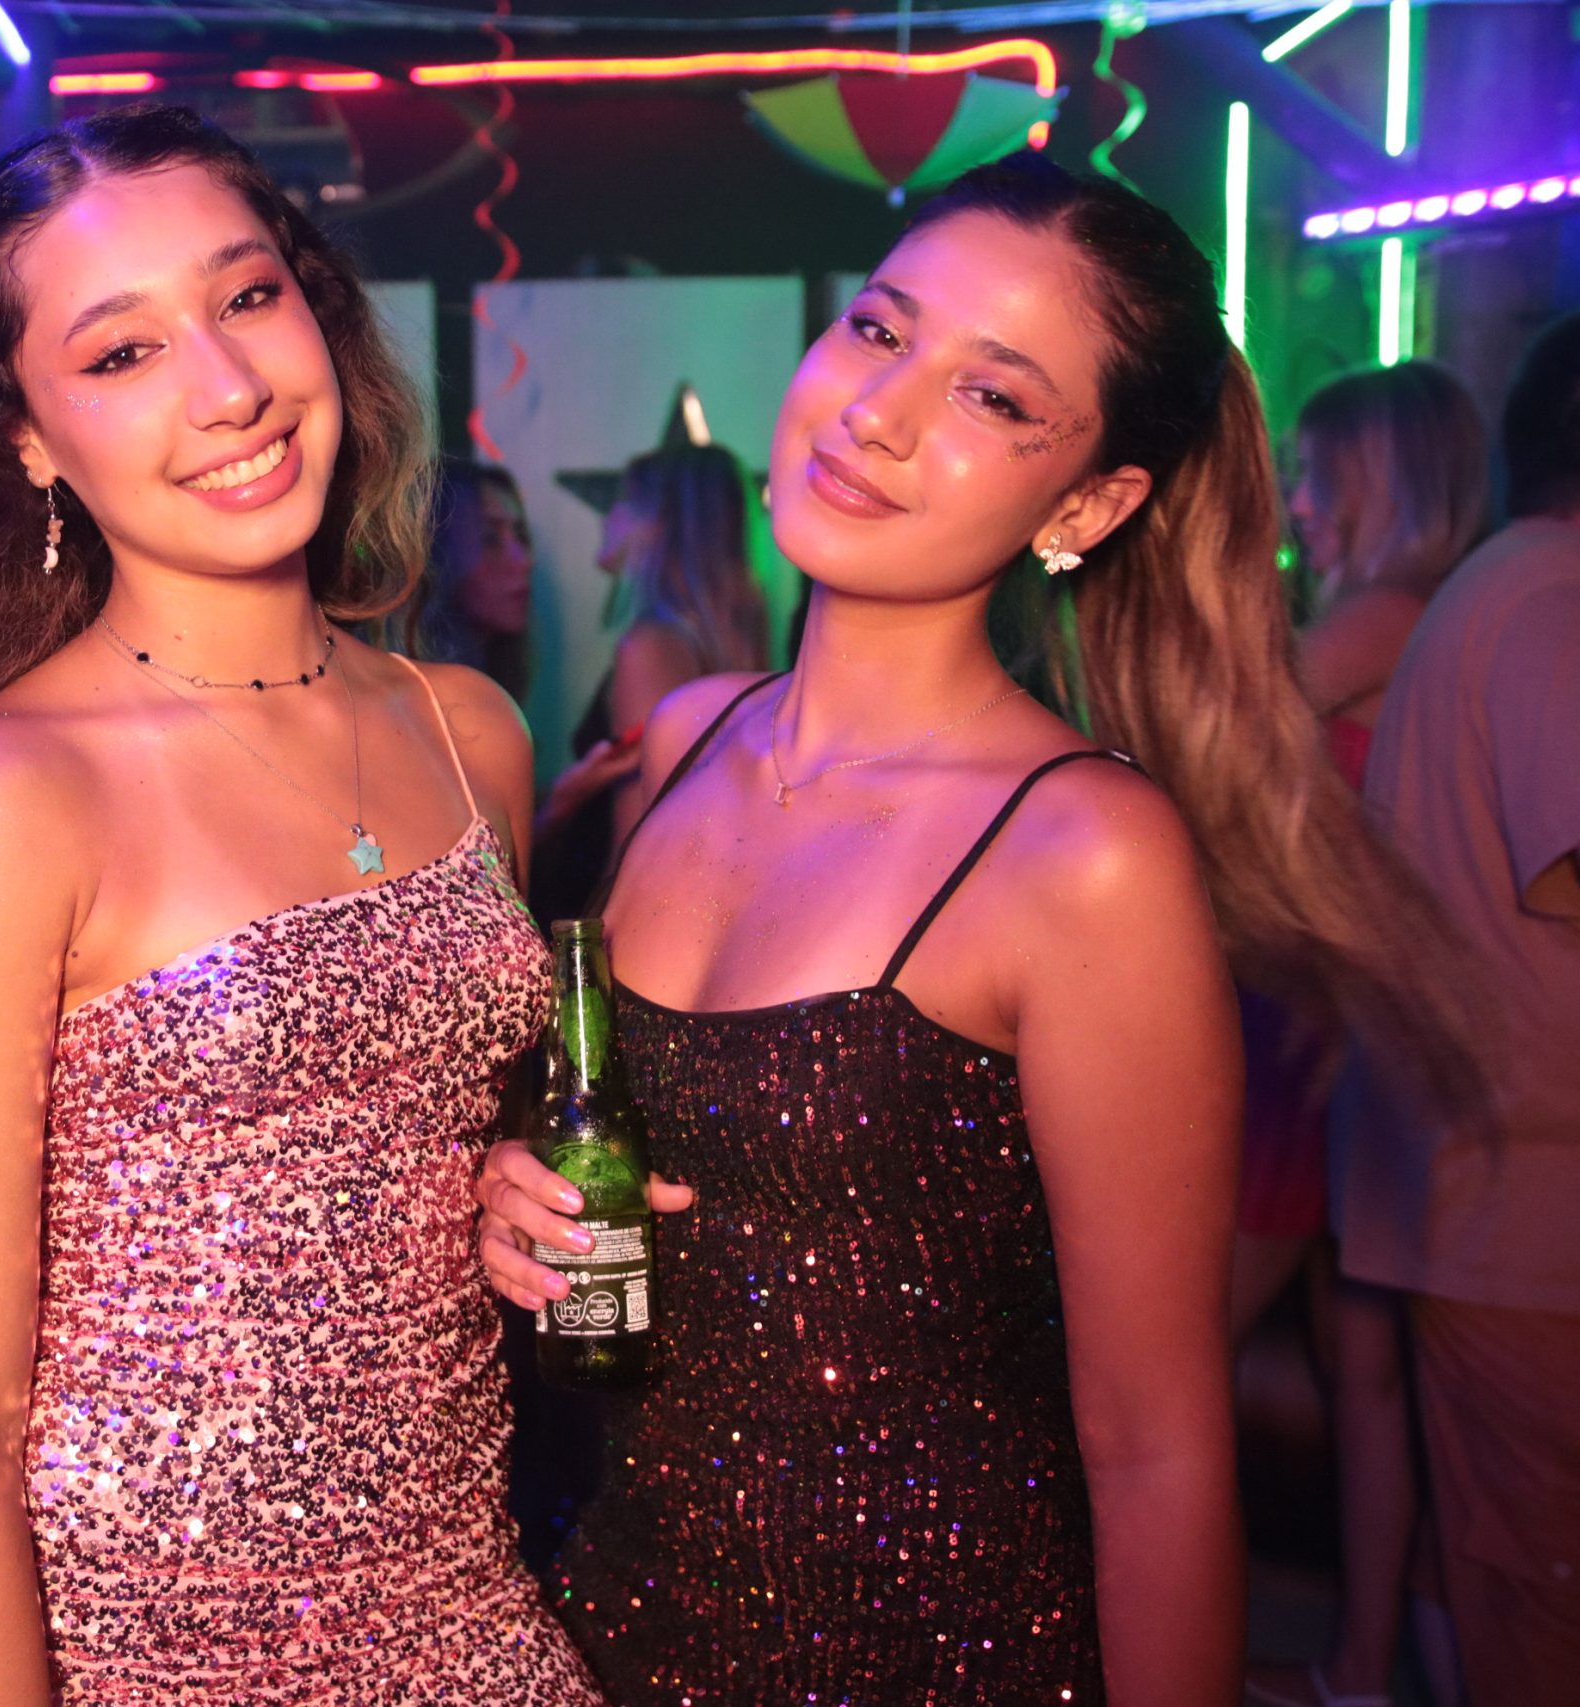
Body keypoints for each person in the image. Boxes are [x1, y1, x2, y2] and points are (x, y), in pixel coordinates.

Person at [474, 154, 1480, 1705]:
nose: (877, 412)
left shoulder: (1083, 854)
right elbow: (630, 1159)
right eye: (881, 329)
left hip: (932, 1651)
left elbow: (1155, 1449)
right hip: (606, 1618)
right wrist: (517, 1190)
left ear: (1087, 504)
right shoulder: (684, 738)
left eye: (993, 397)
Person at [0, 105, 599, 1704]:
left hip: (465, 1608)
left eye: (249, 297)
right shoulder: (2, 796)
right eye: (122, 353)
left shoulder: (469, 731)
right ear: (30, 439)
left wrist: (498, 1190)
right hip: (139, 1654)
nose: (229, 386)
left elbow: (413, 1140)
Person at [1330, 310, 1580, 1704]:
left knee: (1495, 1566)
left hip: (1486, 1180)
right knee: (1539, 1598)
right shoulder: (1546, 592)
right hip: (1527, 1198)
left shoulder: (1506, 585)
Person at [1242, 360, 1488, 1707]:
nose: (1298, 504)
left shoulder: (1385, 616)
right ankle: (1359, 1667)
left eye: (1316, 475)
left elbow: (1219, 753)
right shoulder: (1428, 614)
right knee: (1366, 1370)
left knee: (1172, 1347)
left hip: (1319, 1042)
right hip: (1360, 1036)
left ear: (1381, 478)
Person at [531, 440, 769, 922]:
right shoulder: (734, 647)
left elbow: (637, 842)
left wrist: (598, 949)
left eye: (622, 501)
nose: (607, 517)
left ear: (660, 524)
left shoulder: (651, 648)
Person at [409, 457, 535, 698]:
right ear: (438, 552)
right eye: (490, 538)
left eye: (521, 535)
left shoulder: (492, 677)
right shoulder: (421, 696)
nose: (524, 560)